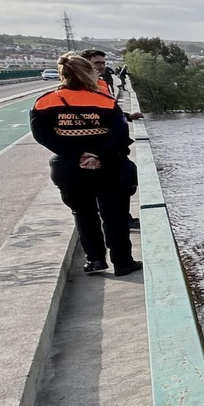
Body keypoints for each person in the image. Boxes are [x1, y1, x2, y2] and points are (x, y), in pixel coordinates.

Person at [29, 52, 141, 276]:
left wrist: (76, 154)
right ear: (88, 73)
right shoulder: (105, 102)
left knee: (83, 213)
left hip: (70, 168)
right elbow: (120, 135)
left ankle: (95, 260)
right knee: (115, 215)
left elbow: (42, 136)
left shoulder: (45, 102)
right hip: (108, 167)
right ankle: (122, 263)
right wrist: (98, 157)